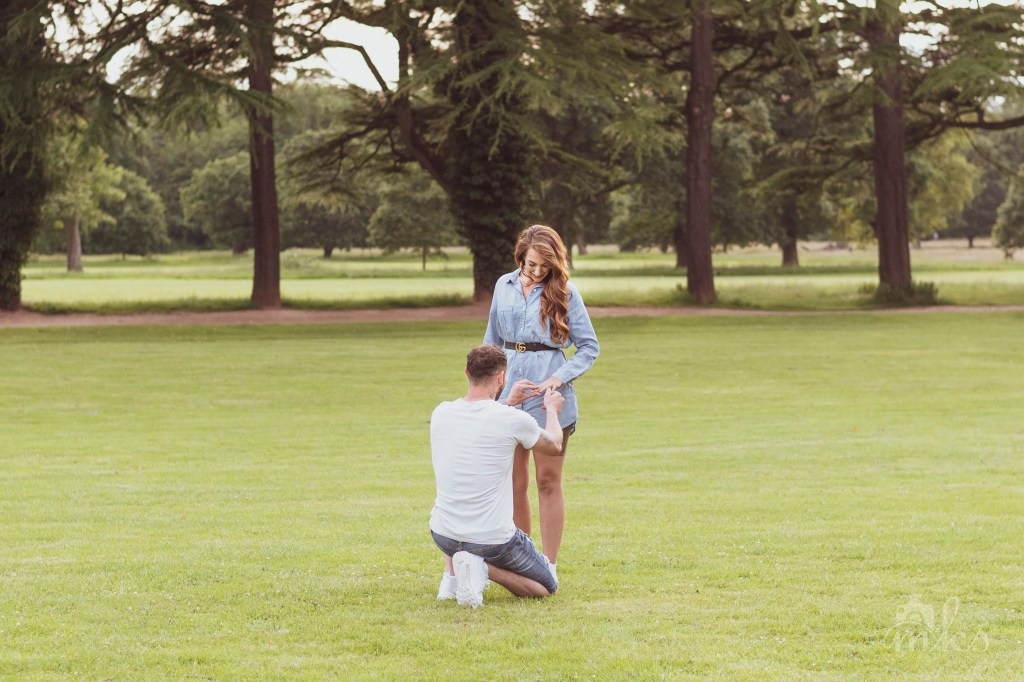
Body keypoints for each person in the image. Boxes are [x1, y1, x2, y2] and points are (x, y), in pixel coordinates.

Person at [482, 224, 599, 582]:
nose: (536, 271)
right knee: (514, 484)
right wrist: (488, 394)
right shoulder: (502, 286)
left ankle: (549, 566)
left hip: (549, 401)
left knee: (547, 482)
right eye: (531, 264)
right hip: (509, 397)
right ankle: (524, 560)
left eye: (544, 266)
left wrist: (557, 378)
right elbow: (491, 342)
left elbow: (589, 348)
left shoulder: (566, 292)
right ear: (521, 255)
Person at [430, 344, 564, 607]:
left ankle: (455, 575)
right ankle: (482, 568)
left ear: (467, 373)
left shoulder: (441, 412)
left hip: (443, 535)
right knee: (547, 585)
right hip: (492, 541)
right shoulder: (512, 419)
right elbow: (555, 444)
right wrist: (551, 409)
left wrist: (507, 402)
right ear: (502, 377)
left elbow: (480, 419)